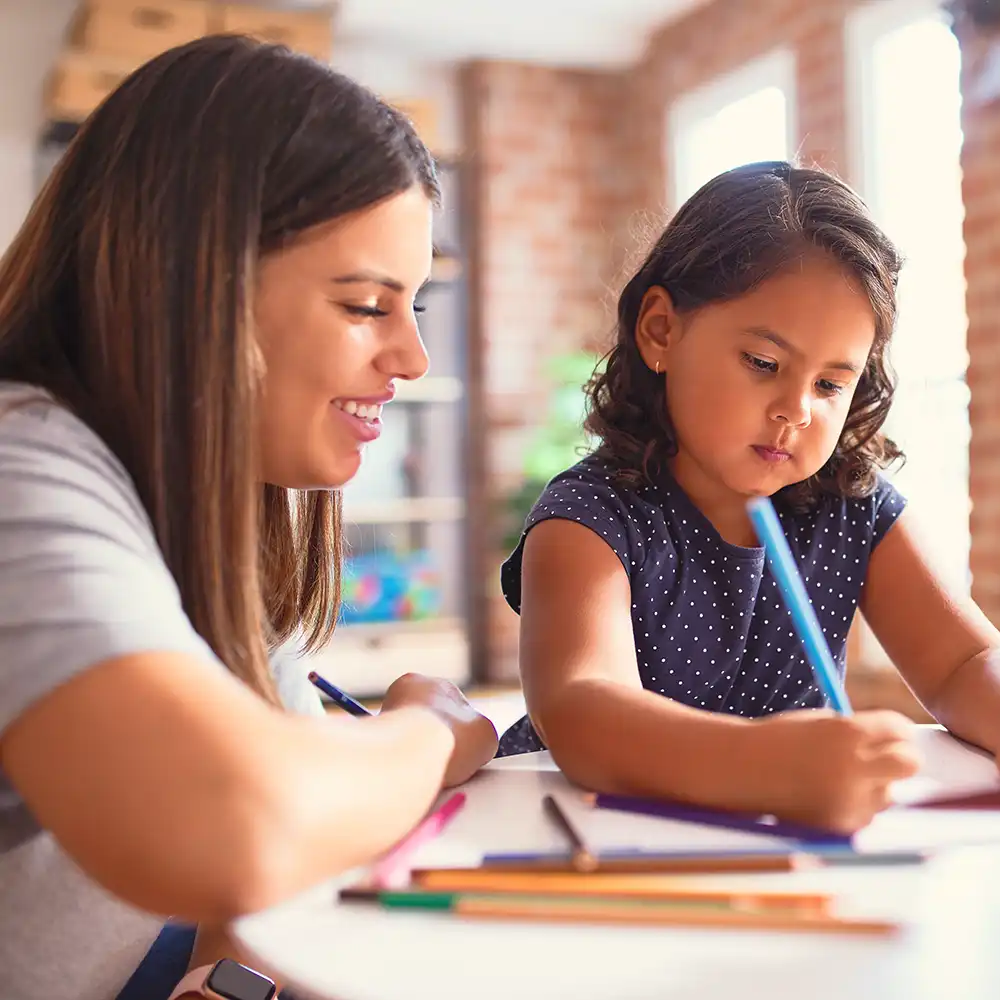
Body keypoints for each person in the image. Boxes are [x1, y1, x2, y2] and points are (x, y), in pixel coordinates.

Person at [0, 34, 497, 1000]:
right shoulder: (22, 470)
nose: (413, 359)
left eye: (416, 308)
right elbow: (241, 823)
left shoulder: (214, 506)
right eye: (364, 305)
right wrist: (424, 730)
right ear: (195, 281)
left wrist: (235, 971)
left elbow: (298, 835)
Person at [497, 160, 1000, 835]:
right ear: (660, 331)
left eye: (829, 385)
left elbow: (964, 661)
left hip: (780, 849)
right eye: (764, 364)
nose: (795, 408)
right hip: (585, 842)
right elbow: (584, 711)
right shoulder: (590, 516)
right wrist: (769, 767)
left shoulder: (855, 506)